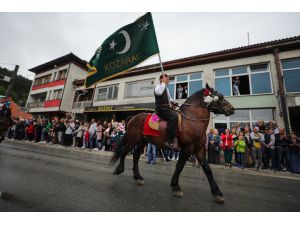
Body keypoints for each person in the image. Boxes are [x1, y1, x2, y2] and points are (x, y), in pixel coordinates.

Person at [154, 74, 178, 149]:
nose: (168, 81)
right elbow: (159, 93)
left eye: (168, 79)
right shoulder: (158, 86)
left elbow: (169, 99)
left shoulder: (166, 89)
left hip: (167, 108)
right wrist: (163, 83)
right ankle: (168, 140)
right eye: (167, 79)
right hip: (161, 109)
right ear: (161, 79)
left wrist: (173, 103)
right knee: (174, 116)